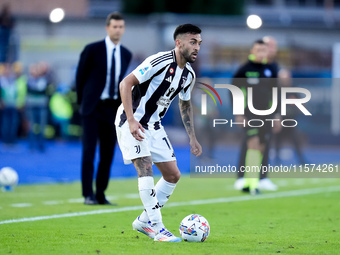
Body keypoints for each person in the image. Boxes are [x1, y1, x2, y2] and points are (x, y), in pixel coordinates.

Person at [115, 24, 202, 242]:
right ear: (178, 42)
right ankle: (158, 228)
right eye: (193, 42)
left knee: (173, 175)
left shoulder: (189, 75)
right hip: (132, 121)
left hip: (154, 126)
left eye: (199, 43)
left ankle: (144, 222)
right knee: (145, 169)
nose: (197, 47)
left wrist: (192, 137)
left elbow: (184, 105)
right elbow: (125, 83)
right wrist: (132, 119)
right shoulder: (159, 61)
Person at [76, 12, 132, 205]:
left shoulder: (126, 54)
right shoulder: (92, 50)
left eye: (121, 27)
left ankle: (100, 193)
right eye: (114, 26)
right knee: (89, 151)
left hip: (113, 109)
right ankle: (87, 195)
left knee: (108, 154)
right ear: (107, 28)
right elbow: (80, 78)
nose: (118, 30)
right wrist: (82, 103)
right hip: (92, 107)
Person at [232, 39, 280, 195]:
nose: (261, 53)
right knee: (253, 143)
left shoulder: (270, 70)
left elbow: (276, 94)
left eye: (263, 50)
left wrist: (277, 115)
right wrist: (238, 113)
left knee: (261, 147)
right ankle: (251, 183)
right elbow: (234, 92)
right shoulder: (244, 69)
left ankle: (254, 180)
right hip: (249, 114)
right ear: (252, 51)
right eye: (258, 50)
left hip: (267, 115)